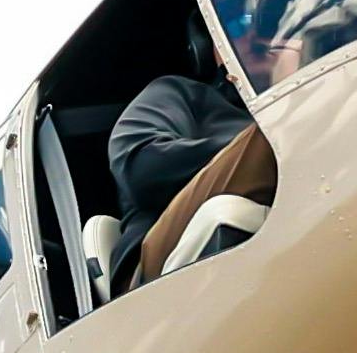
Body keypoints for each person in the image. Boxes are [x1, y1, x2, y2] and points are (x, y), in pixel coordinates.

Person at [101, 64, 267, 284]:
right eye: (240, 27)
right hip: (154, 276)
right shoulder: (179, 92)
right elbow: (142, 168)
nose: (258, 35)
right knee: (274, 133)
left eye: (269, 28)